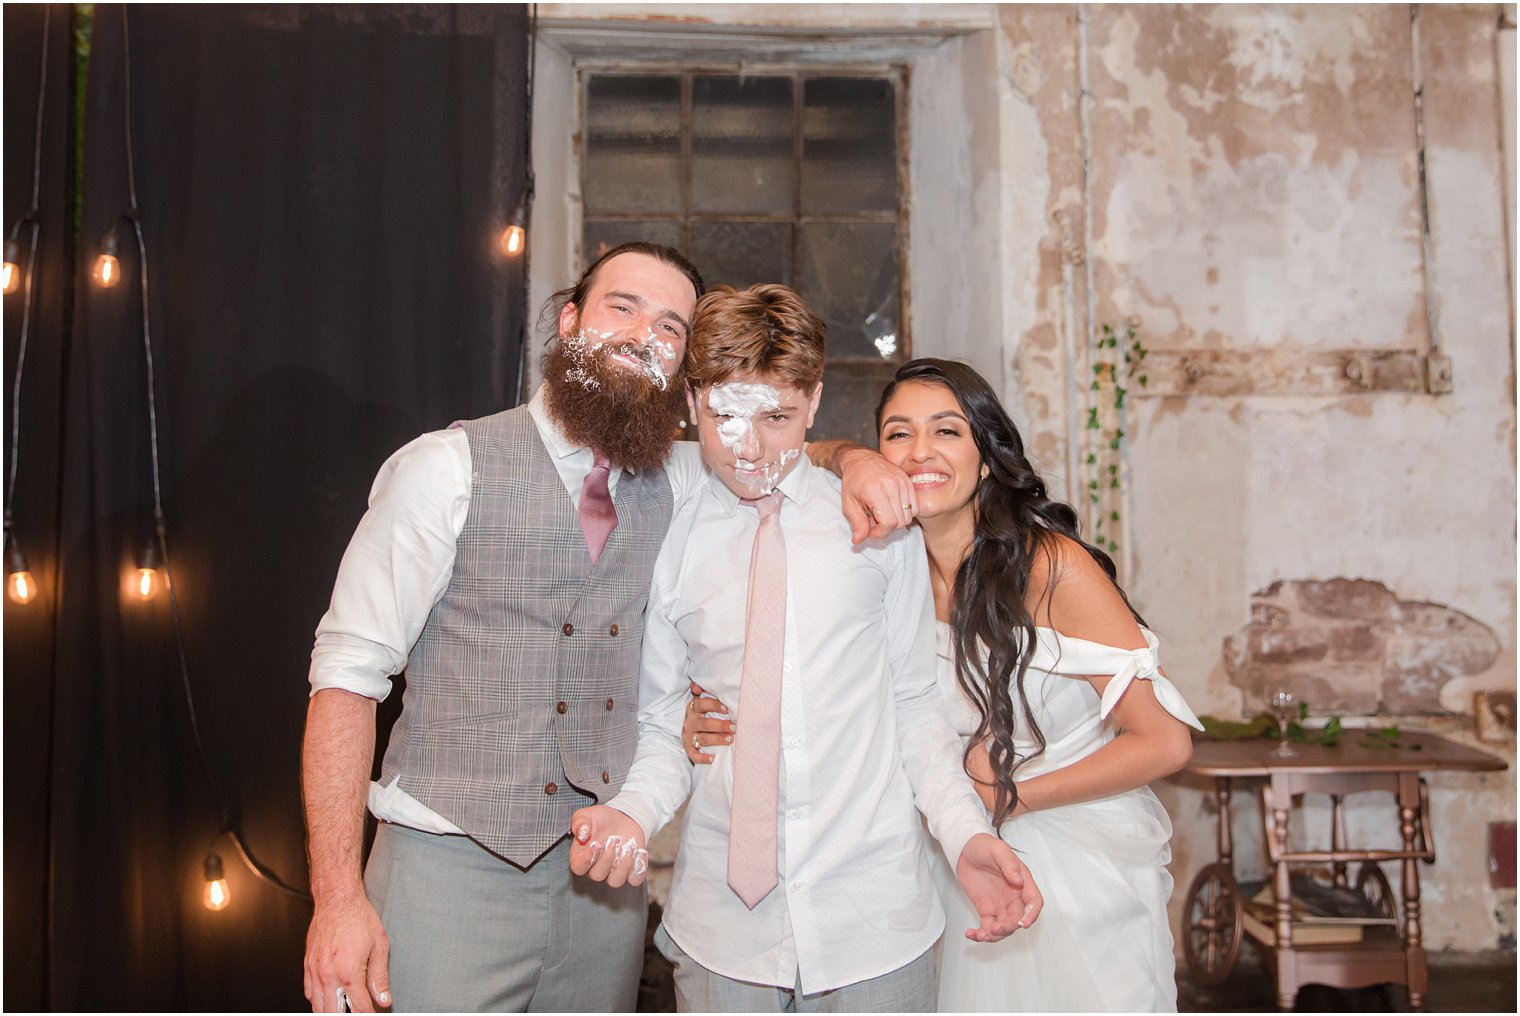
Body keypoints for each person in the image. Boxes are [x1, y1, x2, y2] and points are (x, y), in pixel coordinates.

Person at [300, 244, 917, 1014]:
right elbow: (346, 681)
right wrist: (336, 898)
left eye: (669, 326)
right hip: (447, 868)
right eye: (620, 307)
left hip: (606, 889)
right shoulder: (446, 468)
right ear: (569, 321)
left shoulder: (681, 478)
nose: (641, 335)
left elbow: (778, 443)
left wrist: (858, 461)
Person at [570, 288, 1043, 1014]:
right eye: (726, 416)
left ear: (815, 400)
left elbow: (914, 706)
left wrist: (965, 835)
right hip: (723, 935)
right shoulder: (670, 540)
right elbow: (666, 725)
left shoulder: (880, 530)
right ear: (692, 399)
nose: (751, 446)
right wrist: (633, 812)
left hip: (875, 920)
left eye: (778, 418)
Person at [687, 357, 1203, 1012]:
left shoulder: (1050, 568)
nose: (919, 452)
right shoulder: (881, 565)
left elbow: (1164, 743)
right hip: (950, 860)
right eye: (898, 434)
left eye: (947, 432)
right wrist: (696, 709)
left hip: (1079, 865)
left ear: (987, 457)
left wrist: (1011, 799)